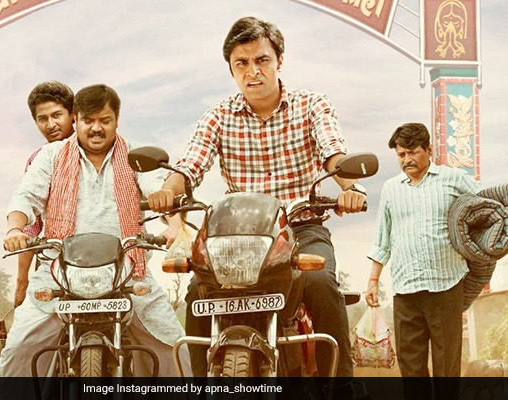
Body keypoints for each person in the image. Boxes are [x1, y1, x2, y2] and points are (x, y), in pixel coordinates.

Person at [148, 16, 367, 378]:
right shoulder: (218, 116)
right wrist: (167, 192)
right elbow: (189, 166)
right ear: (232, 69)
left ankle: (341, 385)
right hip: (236, 239)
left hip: (299, 229)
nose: (252, 71)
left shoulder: (311, 105)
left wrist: (350, 188)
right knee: (197, 291)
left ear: (279, 60)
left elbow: (333, 155)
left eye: (262, 60)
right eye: (242, 63)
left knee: (321, 284)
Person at [0, 84, 190, 384]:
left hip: (127, 270)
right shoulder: (50, 155)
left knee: (173, 345)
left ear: (117, 121)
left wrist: (173, 221)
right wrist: (14, 228)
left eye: (105, 120)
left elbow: (159, 189)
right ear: (76, 119)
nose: (96, 128)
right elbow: (26, 197)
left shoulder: (135, 156)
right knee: (19, 348)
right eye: (89, 120)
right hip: (58, 271)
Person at [365, 123, 481, 399]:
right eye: (401, 155)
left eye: (413, 152)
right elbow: (382, 238)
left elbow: (486, 206)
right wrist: (373, 280)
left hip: (446, 285)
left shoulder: (453, 179)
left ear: (429, 150)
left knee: (446, 366)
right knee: (411, 366)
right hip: (405, 289)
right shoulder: (391, 189)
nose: (407, 160)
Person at [14, 80, 76, 308]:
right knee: (31, 325)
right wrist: (22, 280)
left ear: (73, 115)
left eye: (57, 115)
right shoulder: (37, 159)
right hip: (53, 259)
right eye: (42, 119)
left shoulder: (96, 150)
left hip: (104, 258)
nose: (51, 125)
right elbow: (32, 225)